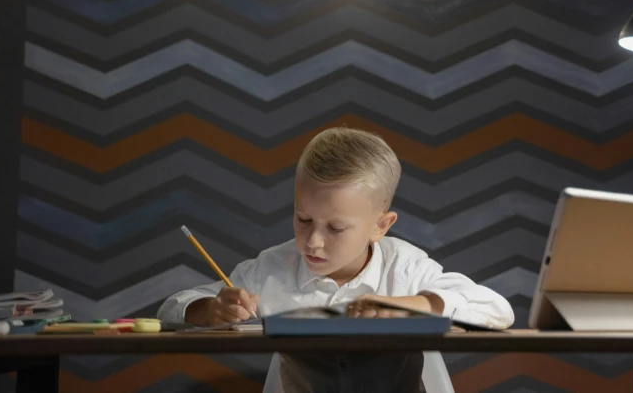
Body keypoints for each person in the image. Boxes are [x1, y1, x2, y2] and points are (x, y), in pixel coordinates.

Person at [158, 127, 514, 392]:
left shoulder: (405, 267)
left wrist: (411, 305)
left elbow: (496, 310)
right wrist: (207, 310)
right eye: (303, 219)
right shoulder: (271, 269)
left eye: (336, 228)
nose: (313, 241)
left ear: (380, 225)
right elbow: (173, 307)